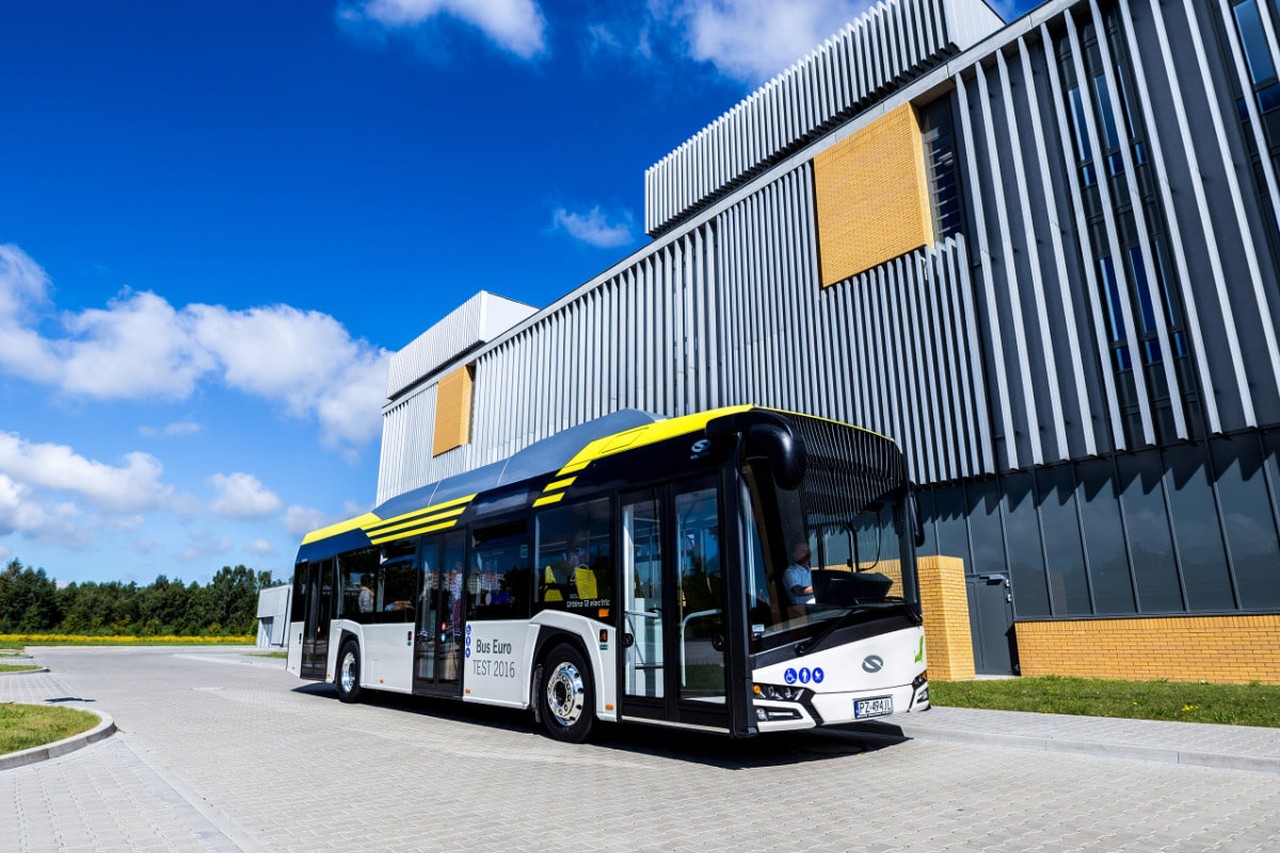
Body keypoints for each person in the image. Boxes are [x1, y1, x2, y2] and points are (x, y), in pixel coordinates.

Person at [783, 541, 815, 605]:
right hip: (801, 611)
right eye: (804, 551)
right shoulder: (790, 572)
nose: (807, 553)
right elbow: (798, 591)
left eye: (808, 550)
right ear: (795, 555)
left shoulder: (811, 571)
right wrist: (818, 588)